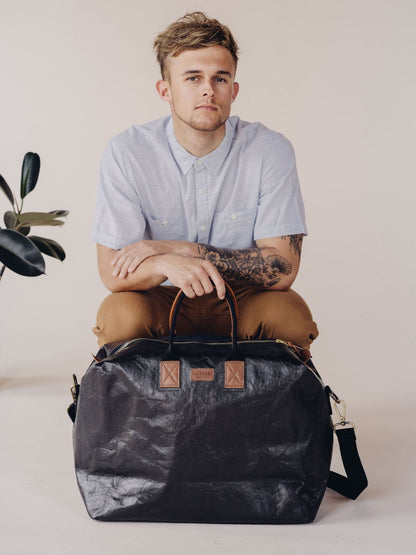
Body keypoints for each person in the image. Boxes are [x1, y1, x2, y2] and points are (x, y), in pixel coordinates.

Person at [91, 11, 318, 349]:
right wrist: (167, 264)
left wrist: (180, 249)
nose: (209, 91)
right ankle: (149, 402)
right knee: (119, 316)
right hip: (162, 296)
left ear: (234, 89)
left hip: (243, 299)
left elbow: (281, 268)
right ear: (165, 90)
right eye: (193, 78)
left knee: (291, 317)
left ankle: (262, 401)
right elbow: (113, 272)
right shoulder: (127, 151)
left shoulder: (270, 150)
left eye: (220, 78)